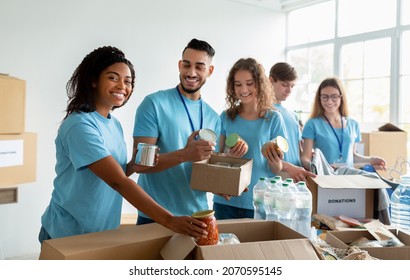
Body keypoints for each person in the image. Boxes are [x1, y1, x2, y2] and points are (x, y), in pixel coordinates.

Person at [38, 46, 208, 244]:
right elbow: (118, 182)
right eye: (113, 78)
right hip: (67, 234)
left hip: (102, 233)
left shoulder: (114, 124)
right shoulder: (79, 126)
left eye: (128, 81)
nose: (122, 86)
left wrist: (132, 167)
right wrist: (169, 220)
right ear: (93, 80)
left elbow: (113, 173)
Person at [132, 39, 221, 225]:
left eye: (199, 66)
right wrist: (184, 154)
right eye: (186, 65)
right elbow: (140, 164)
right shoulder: (154, 104)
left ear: (210, 71)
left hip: (199, 216)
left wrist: (223, 185)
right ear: (180, 65)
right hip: (155, 216)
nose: (191, 72)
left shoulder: (214, 117)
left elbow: (203, 168)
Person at [212, 58, 286, 219]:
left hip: (259, 202)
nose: (243, 89)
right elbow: (215, 159)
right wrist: (229, 157)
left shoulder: (273, 118)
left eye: (249, 83)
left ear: (259, 84)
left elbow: (276, 169)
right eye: (238, 84)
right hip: (226, 200)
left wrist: (275, 161)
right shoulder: (226, 117)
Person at [301, 77, 386, 171]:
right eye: (325, 97)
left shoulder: (353, 124)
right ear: (319, 98)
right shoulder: (312, 124)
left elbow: (352, 156)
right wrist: (320, 169)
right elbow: (305, 159)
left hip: (348, 179)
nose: (329, 101)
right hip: (325, 180)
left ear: (341, 97)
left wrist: (371, 160)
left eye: (334, 96)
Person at [269, 62, 316, 182]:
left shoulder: (293, 115)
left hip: (296, 177)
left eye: (292, 86)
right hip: (275, 177)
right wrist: (288, 168)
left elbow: (298, 149)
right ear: (271, 81)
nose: (289, 90)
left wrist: (312, 164)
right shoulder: (264, 112)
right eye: (285, 85)